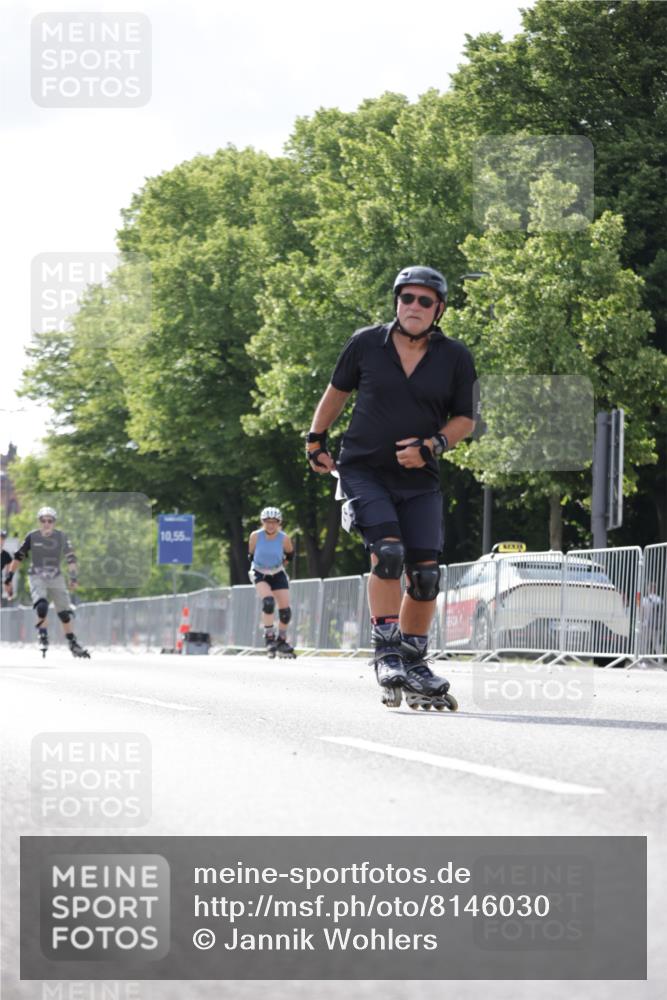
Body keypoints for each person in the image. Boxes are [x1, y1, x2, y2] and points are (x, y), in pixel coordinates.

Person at [306, 265, 477, 708]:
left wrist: (433, 445)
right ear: (396, 302)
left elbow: (465, 420)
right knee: (388, 553)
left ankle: (414, 660)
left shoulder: (455, 356)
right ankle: (385, 650)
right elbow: (336, 392)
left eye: (424, 300)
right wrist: (315, 439)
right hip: (364, 469)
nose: (413, 307)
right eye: (407, 298)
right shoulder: (366, 343)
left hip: (420, 478)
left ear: (439, 309)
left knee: (424, 576)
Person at [3, 506, 90, 658]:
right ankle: (43, 634)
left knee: (64, 613)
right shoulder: (32, 536)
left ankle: (72, 642)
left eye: (50, 521)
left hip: (55, 576)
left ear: (54, 522)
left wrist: (73, 577)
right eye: (43, 520)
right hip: (36, 575)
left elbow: (71, 558)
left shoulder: (61, 537)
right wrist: (9, 577)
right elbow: (18, 557)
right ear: (39, 522)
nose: (46, 523)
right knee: (42, 605)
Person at [248, 506, 296, 658]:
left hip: (277, 572)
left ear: (279, 523)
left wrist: (280, 565)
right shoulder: (255, 536)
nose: (270, 525)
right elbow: (251, 554)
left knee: (285, 611)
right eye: (267, 522)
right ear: (262, 522)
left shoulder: (284, 538)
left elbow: (289, 555)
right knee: (268, 602)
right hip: (260, 572)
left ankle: (281, 640)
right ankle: (269, 638)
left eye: (274, 522)